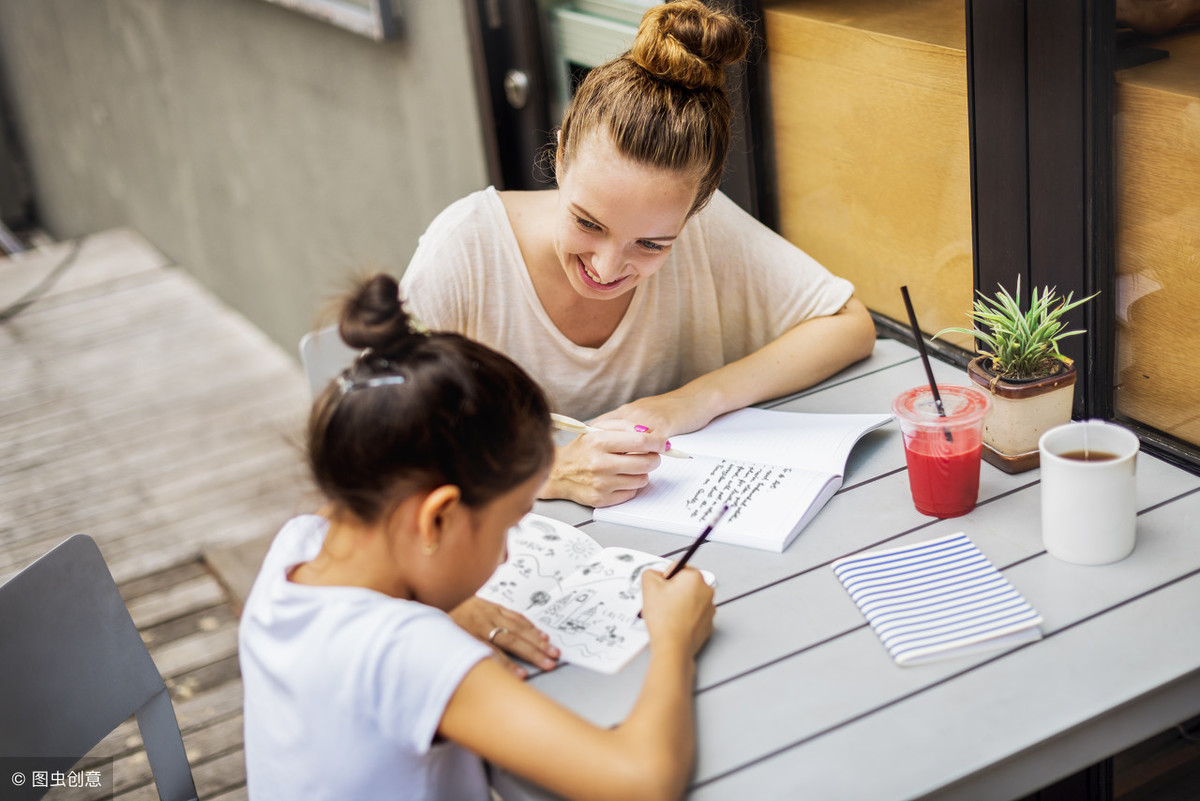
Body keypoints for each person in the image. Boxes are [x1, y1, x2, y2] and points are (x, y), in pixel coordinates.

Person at [239, 273, 716, 801]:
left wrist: (444, 606)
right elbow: (641, 784)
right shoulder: (408, 651)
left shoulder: (299, 543)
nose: (509, 552)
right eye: (510, 523)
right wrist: (675, 639)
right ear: (436, 519)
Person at [401, 0, 877, 509]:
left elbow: (848, 323)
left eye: (651, 244)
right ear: (560, 155)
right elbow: (376, 444)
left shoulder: (706, 229)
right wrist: (552, 473)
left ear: (696, 208)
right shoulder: (467, 251)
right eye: (588, 223)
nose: (606, 268)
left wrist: (692, 401)